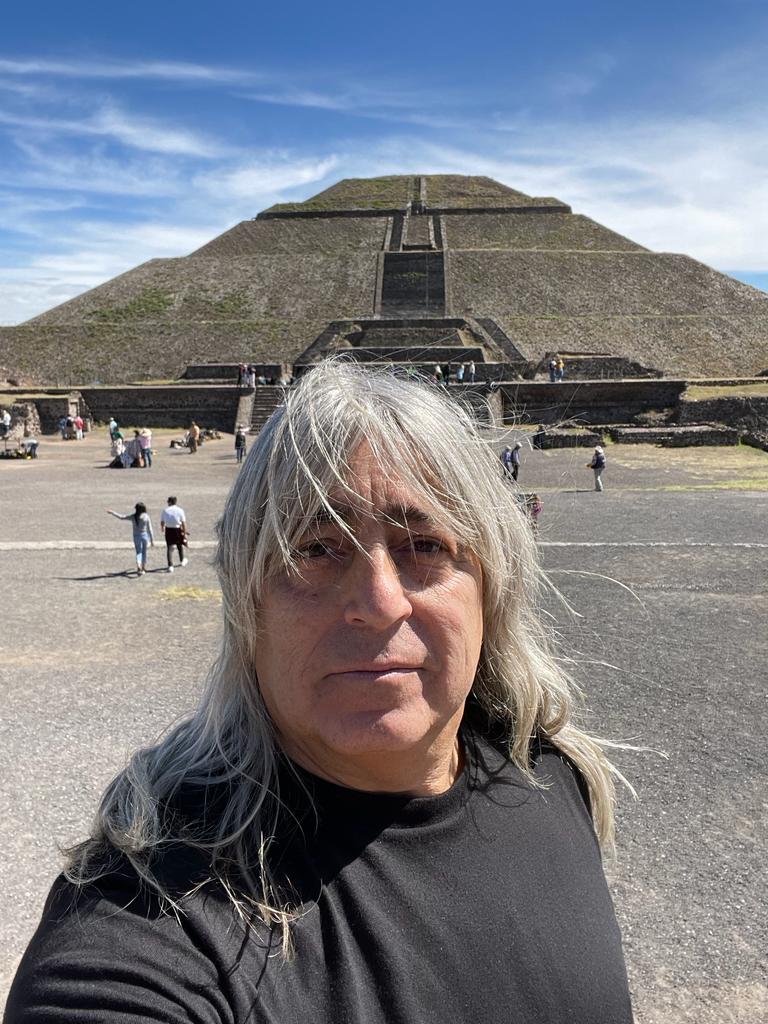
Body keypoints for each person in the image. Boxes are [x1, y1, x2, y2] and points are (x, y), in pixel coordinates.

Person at [8, 363, 633, 1023]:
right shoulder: (149, 912)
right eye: (313, 547)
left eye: (424, 544)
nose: (378, 603)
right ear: (247, 603)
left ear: (491, 584)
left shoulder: (557, 778)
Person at [106, 502, 154, 575]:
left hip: (136, 536)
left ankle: (139, 566)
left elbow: (122, 517)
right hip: (144, 536)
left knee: (138, 552)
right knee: (144, 552)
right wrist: (152, 540)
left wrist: (113, 512)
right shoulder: (146, 516)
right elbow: (150, 528)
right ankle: (143, 567)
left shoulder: (133, 516)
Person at [161, 496, 188, 571]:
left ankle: (170, 565)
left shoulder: (165, 510)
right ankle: (182, 560)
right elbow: (183, 523)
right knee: (179, 546)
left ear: (169, 502)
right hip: (177, 529)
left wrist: (162, 528)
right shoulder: (180, 510)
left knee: (169, 548)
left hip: (168, 529)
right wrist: (184, 533)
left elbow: (162, 521)